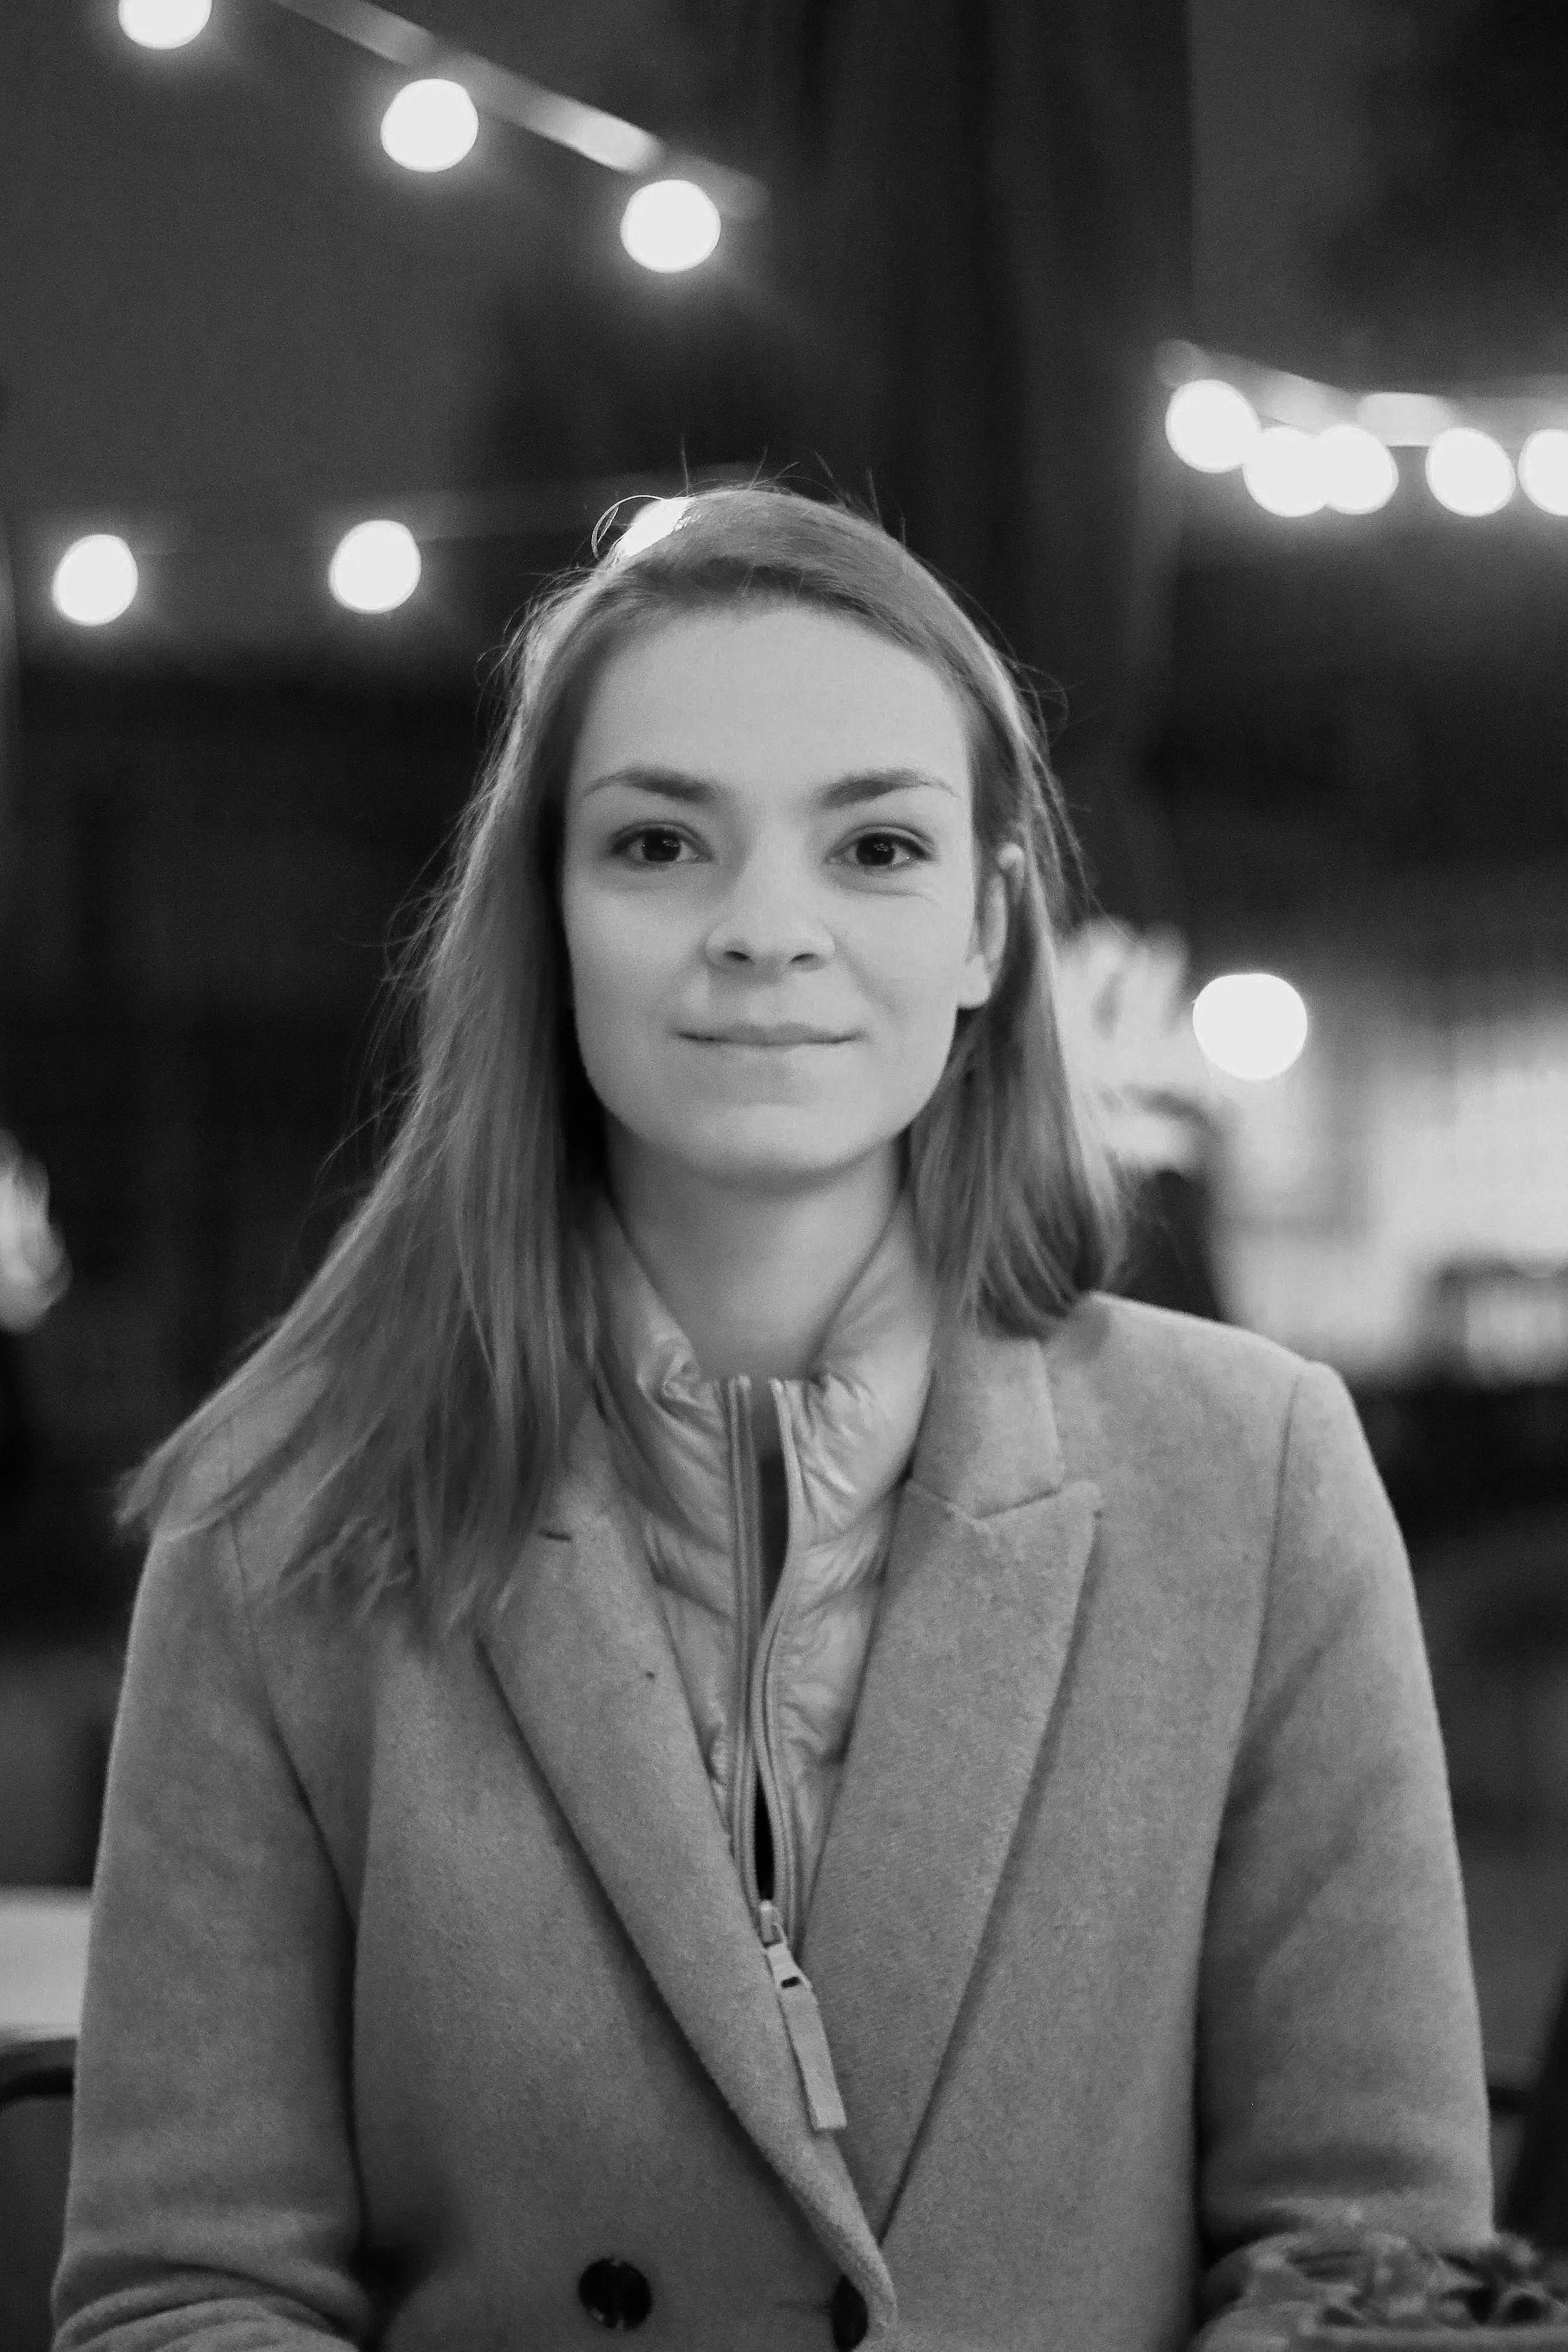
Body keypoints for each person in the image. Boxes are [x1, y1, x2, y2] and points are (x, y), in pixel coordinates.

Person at [53, 482, 1494, 2352]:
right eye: (659, 843)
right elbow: (185, 2293)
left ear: (986, 929)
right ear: (547, 918)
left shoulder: (1254, 1472)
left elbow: (1380, 2268)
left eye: (873, 847)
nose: (764, 930)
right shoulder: (277, 1518)